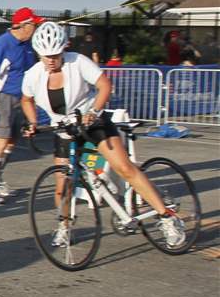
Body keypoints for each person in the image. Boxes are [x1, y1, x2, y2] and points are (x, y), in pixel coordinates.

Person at [21, 22, 186, 248]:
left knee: (124, 168)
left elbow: (104, 85)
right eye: (46, 56)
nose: (51, 60)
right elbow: (26, 99)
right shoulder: (33, 75)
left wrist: (94, 111)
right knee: (64, 184)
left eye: (56, 55)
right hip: (65, 129)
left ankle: (167, 217)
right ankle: (64, 226)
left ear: (63, 51)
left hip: (93, 123)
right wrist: (32, 122)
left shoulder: (77, 62)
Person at [0, 6, 44, 203]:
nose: (36, 28)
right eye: (34, 24)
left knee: (11, 142)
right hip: (2, 97)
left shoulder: (28, 46)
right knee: (0, 141)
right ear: (22, 25)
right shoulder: (1, 45)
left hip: (21, 98)